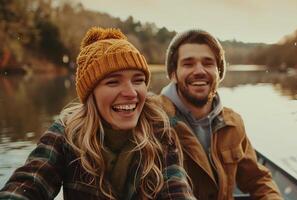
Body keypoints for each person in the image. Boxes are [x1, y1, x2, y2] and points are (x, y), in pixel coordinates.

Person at [0, 27, 195, 200]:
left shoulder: (160, 131)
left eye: (138, 80)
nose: (131, 93)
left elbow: (176, 191)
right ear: (90, 94)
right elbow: (29, 183)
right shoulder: (65, 133)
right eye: (113, 82)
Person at [153, 29, 283, 199]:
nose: (199, 70)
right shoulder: (152, 118)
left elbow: (258, 179)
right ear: (173, 74)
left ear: (219, 72)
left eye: (208, 63)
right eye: (188, 63)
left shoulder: (233, 122)